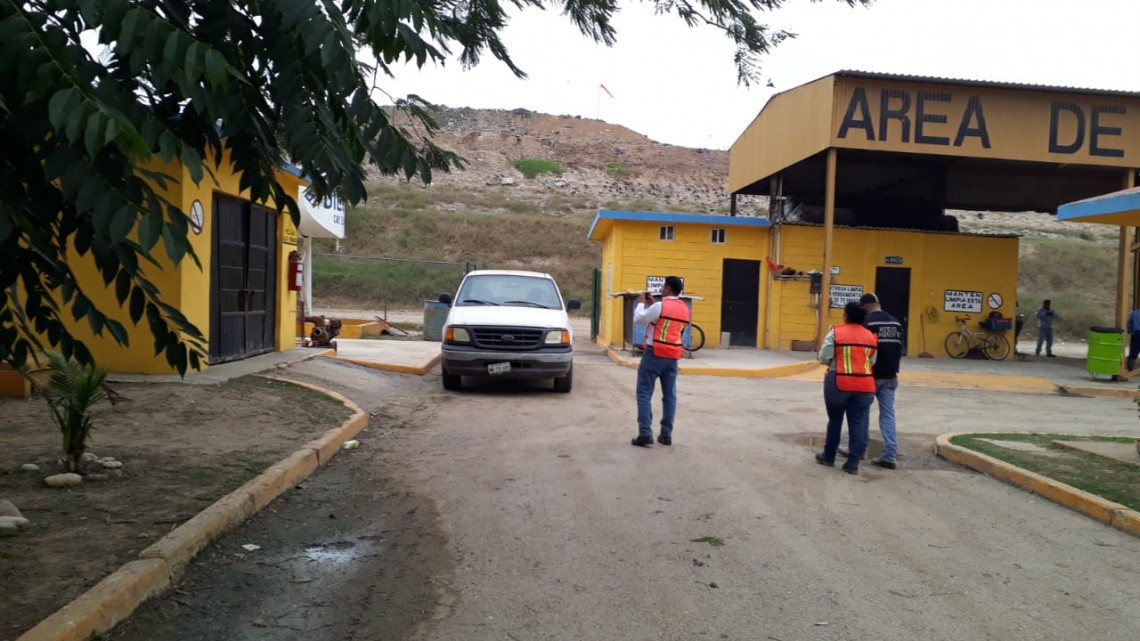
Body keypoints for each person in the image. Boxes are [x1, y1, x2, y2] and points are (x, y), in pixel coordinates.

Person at [816, 301, 879, 474]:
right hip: (865, 385)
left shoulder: (835, 333)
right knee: (857, 422)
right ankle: (852, 463)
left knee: (835, 420)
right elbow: (872, 361)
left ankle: (829, 457)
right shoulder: (871, 337)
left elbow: (823, 357)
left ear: (845, 316)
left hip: (838, 383)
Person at [631, 276, 690, 447]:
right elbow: (664, 321)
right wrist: (652, 305)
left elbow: (639, 319)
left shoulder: (660, 305)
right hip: (673, 357)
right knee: (670, 396)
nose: (662, 290)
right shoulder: (685, 309)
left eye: (664, 287)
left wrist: (642, 303)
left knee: (644, 394)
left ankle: (645, 434)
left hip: (654, 353)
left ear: (669, 289)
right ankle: (666, 435)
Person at [860, 293, 901, 469]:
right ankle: (890, 455)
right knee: (888, 415)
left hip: (870, 376)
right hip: (891, 376)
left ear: (866, 306)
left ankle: (858, 449)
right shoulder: (897, 323)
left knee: (860, 413)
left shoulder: (868, 323)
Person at [1127, 307, 1140, 371]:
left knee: (1133, 352)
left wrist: (1130, 331)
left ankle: (1129, 370)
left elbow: (1129, 323)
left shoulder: (1134, 313)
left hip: (1136, 333)